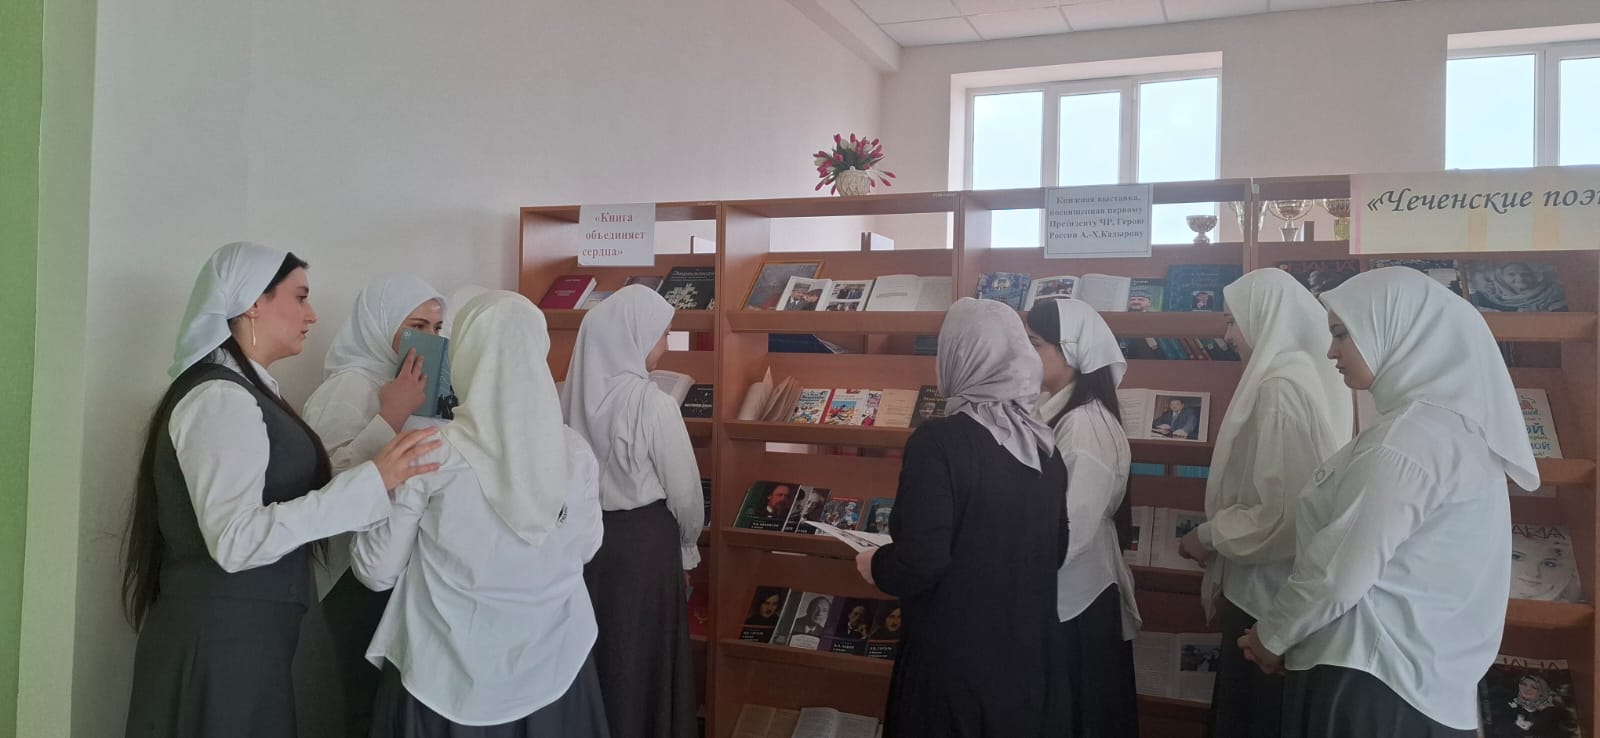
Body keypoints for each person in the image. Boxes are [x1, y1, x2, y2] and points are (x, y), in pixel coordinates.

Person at [122, 242, 440, 738]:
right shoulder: (221, 397)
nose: (313, 315)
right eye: (300, 297)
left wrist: (382, 450)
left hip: (247, 636)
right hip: (222, 641)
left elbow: (310, 489)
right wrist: (374, 480)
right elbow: (235, 540)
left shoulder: (249, 390)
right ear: (253, 302)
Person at [1238, 267, 1536, 737]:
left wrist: (1270, 636)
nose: (1331, 350)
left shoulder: (1405, 440)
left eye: (1342, 334)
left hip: (1372, 679)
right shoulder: (1454, 432)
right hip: (1422, 682)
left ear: (1394, 330)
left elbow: (1337, 574)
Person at [352, 290, 608, 736]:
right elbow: (586, 548)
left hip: (444, 679)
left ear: (465, 357)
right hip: (557, 671)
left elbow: (377, 571)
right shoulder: (575, 451)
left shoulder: (427, 453)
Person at [855, 298, 1068, 738]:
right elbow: (1057, 549)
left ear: (957, 356)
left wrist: (876, 564)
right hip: (1027, 660)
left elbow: (921, 561)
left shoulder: (939, 442)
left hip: (953, 663)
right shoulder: (1043, 446)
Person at [1173, 268, 1352, 738]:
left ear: (1264, 318)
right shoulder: (1296, 375)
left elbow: (1283, 515)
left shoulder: (1280, 390)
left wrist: (1208, 535)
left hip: (1265, 596)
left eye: (1233, 320)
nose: (1227, 335)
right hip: (1272, 592)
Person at [301, 275, 446, 737]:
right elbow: (323, 484)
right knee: (353, 701)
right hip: (349, 573)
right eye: (417, 325)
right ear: (380, 324)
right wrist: (392, 415)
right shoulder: (348, 386)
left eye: (437, 327)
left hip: (394, 566)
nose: (430, 338)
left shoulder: (412, 384)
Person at [562, 284, 702, 738]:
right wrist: (688, 548)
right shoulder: (653, 404)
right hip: (644, 544)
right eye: (661, 334)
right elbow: (685, 493)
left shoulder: (567, 397)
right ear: (634, 337)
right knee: (645, 658)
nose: (665, 344)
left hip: (585, 542)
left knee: (599, 652)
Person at [1025, 298, 1141, 738]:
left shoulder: (1084, 425)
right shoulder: (1054, 410)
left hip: (1075, 595)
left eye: (1035, 344)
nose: (1026, 353)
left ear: (1070, 351)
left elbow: (1073, 528)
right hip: (1059, 588)